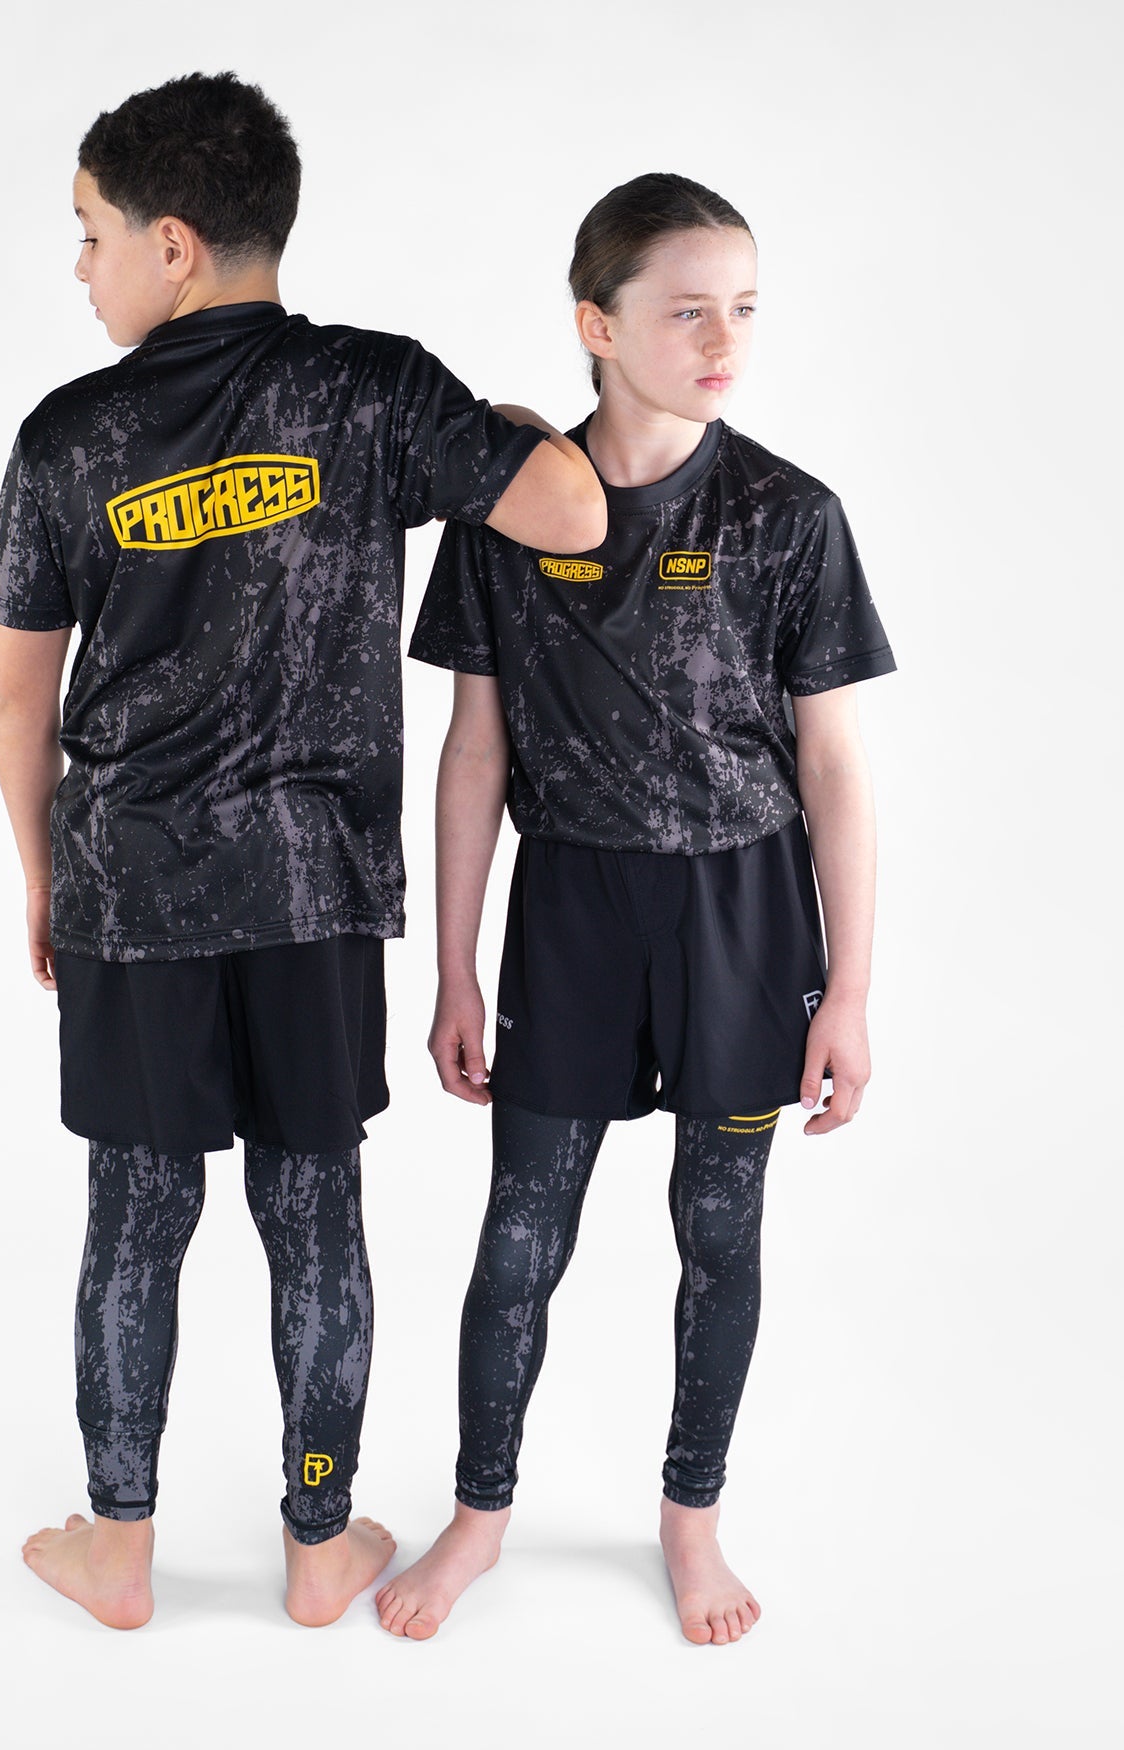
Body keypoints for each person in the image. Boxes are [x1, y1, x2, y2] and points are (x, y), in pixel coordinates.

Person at [0, 71, 606, 1632]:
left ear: (172, 244)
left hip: (131, 890)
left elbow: (15, 694)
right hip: (312, 892)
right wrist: (512, 428)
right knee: (314, 1208)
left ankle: (119, 1548)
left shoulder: (71, 435)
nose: (81, 267)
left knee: (139, 1213)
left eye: (92, 232)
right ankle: (322, 1544)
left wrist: (46, 879)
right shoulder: (373, 392)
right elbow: (574, 511)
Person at [376, 173, 896, 1644]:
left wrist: (851, 990)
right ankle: (480, 1513)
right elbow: (474, 752)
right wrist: (457, 968)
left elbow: (834, 767)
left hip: (744, 916)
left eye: (743, 309)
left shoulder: (790, 516)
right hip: (575, 909)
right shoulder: (505, 517)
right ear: (596, 325)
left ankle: (691, 1518)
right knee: (521, 1238)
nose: (723, 340)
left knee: (718, 1235)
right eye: (686, 312)